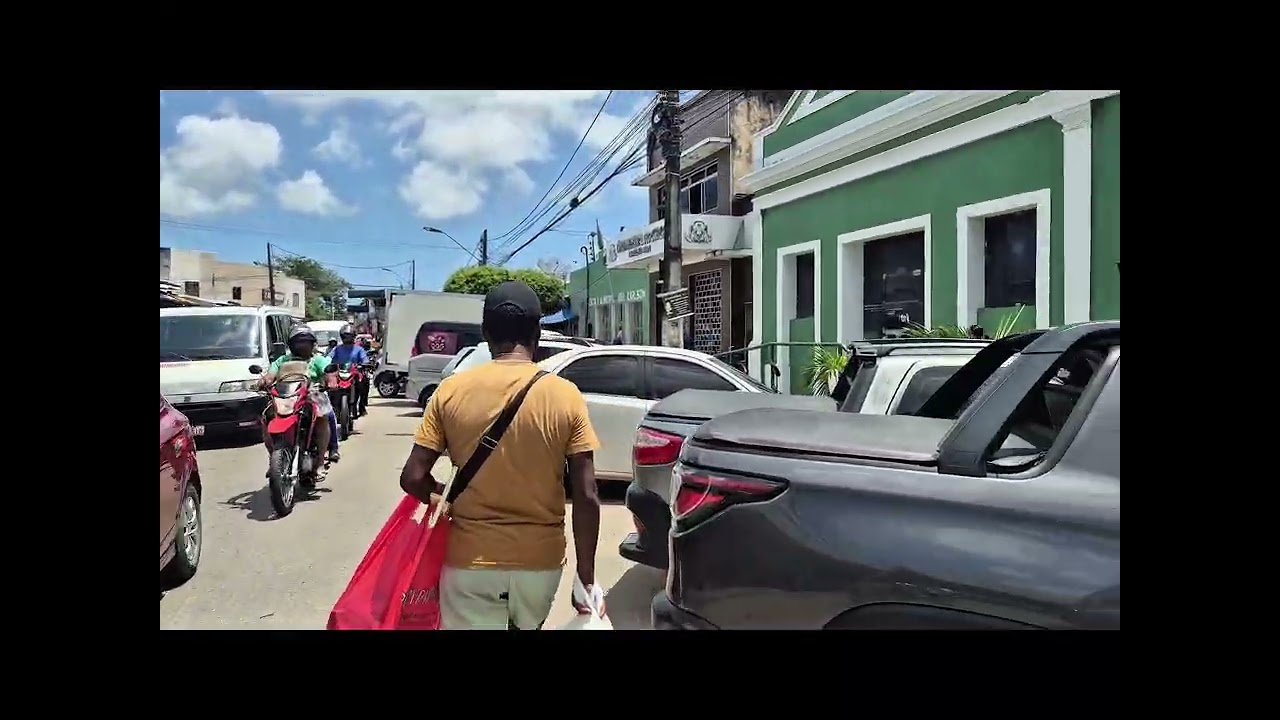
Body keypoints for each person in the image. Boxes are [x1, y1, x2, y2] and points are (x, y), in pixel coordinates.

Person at [399, 281, 604, 630]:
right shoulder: (565, 395)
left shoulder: (451, 391)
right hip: (539, 566)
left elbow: (412, 477)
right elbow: (586, 495)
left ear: (485, 333)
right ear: (538, 332)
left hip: (468, 563)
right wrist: (586, 576)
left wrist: (442, 499)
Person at [258, 325, 340, 468]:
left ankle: (321, 460)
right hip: (285, 398)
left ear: (312, 344)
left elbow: (329, 371)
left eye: (305, 342)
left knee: (323, 417)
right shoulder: (282, 360)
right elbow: (271, 375)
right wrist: (264, 381)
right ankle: (274, 458)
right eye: (298, 342)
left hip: (312, 395)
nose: (302, 346)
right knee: (266, 417)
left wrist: (331, 380)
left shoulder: (318, 360)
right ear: (292, 344)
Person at [329, 323, 372, 417]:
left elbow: (365, 359)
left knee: (365, 382)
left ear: (353, 337)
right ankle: (333, 408)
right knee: (329, 387)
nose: (347, 339)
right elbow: (328, 358)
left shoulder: (359, 349)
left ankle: (362, 405)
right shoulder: (337, 349)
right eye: (345, 336)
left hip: (355, 373)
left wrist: (365, 364)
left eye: (349, 336)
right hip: (339, 373)